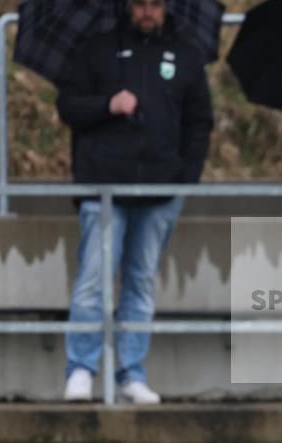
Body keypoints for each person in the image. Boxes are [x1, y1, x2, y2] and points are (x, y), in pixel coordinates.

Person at [57, 0, 213, 403]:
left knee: (141, 283)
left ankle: (130, 372)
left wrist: (185, 179)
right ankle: (81, 370)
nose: (148, 11)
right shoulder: (96, 49)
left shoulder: (185, 54)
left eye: (155, 4)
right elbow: (67, 106)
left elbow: (199, 121)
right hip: (103, 189)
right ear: (129, 7)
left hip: (160, 191)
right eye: (141, 3)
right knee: (94, 281)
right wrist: (108, 104)